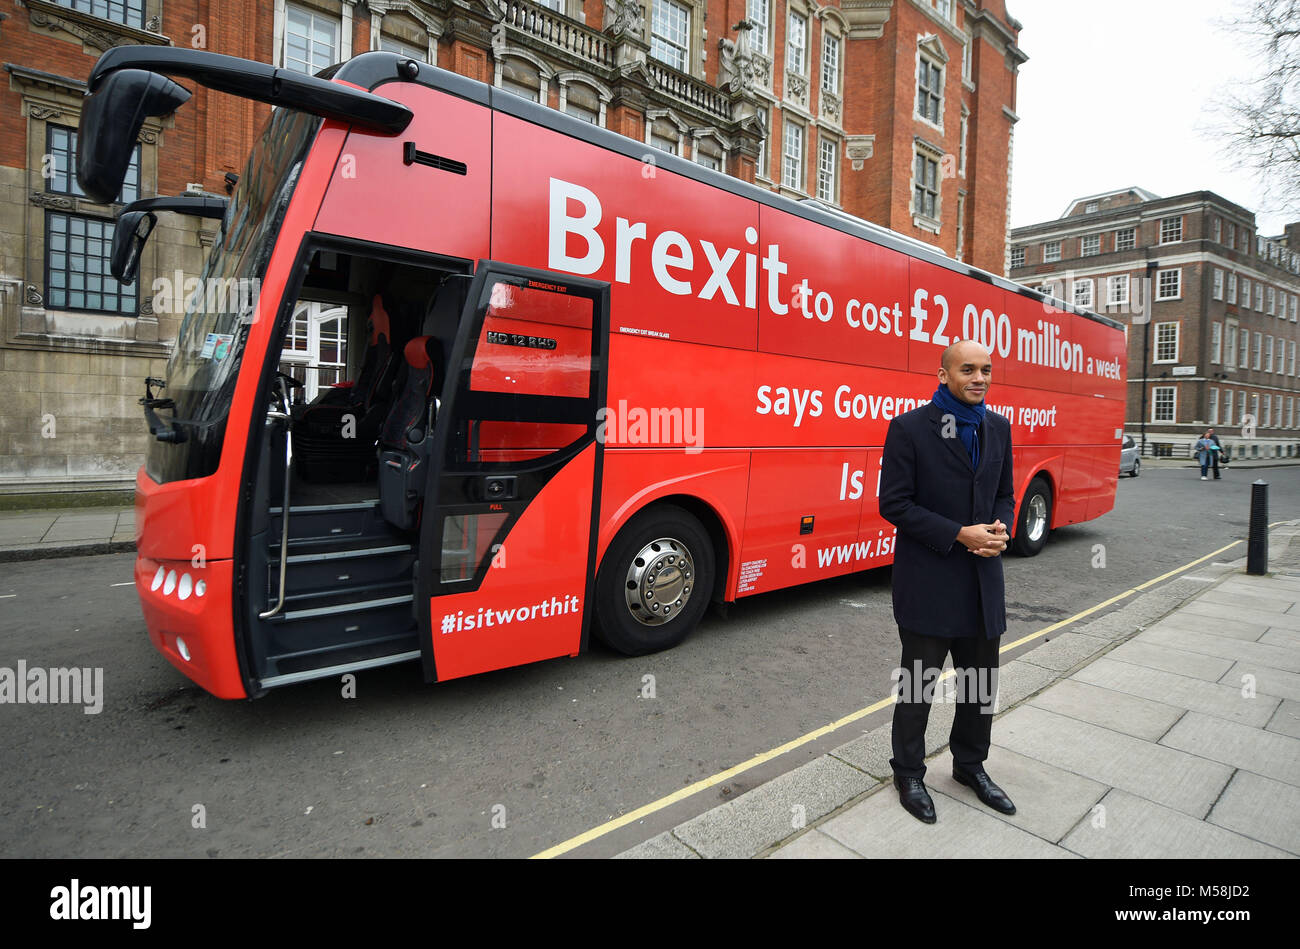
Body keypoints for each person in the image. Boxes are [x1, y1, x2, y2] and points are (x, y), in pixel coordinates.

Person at [878, 339, 1017, 823]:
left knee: (980, 686)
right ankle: (909, 773)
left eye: (986, 370)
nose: (979, 378)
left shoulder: (999, 428)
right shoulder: (910, 429)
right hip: (929, 583)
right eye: (967, 370)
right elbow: (894, 505)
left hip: (983, 583)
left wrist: (1001, 530)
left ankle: (969, 765)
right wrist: (959, 533)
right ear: (943, 375)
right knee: (918, 687)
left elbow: (1005, 495)